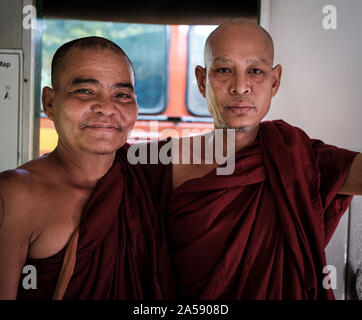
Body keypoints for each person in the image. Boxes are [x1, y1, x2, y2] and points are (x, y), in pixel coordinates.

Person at [141, 19, 362, 299]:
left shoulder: (298, 157)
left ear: (275, 81)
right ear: (201, 80)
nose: (240, 86)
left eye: (255, 71)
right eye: (223, 70)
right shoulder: (157, 164)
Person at [0, 37, 175, 300]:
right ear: (49, 102)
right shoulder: (17, 195)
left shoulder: (146, 177)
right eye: (85, 91)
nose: (107, 107)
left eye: (122, 95)